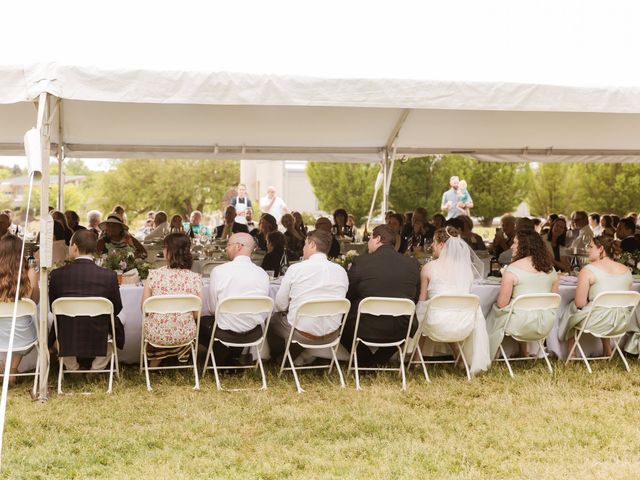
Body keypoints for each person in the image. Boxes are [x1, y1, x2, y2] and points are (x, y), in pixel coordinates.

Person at [340, 225, 421, 367]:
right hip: (401, 327)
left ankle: (366, 360)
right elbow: (415, 297)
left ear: (377, 239)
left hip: (363, 326)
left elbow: (348, 296)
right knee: (411, 324)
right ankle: (377, 361)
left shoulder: (361, 262)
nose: (368, 241)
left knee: (340, 319)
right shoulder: (412, 264)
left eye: (370, 237)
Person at [416, 226, 490, 376]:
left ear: (442, 244)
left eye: (434, 242)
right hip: (462, 324)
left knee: (422, 313)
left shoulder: (428, 268)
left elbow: (422, 300)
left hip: (437, 323)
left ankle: (416, 360)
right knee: (447, 311)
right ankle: (459, 355)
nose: (431, 246)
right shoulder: (466, 270)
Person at [49, 230, 125, 371]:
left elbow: (52, 308)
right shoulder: (108, 276)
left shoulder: (57, 275)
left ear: (75, 247)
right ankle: (97, 368)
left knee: (57, 321)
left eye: (70, 245)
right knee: (119, 320)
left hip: (68, 332)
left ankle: (72, 368)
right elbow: (117, 308)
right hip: (99, 333)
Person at [269, 229, 348, 362]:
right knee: (298, 321)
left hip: (301, 334)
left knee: (273, 320)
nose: (304, 248)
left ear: (312, 244)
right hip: (332, 333)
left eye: (305, 244)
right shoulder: (341, 271)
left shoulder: (296, 269)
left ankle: (280, 358)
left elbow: (280, 305)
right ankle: (291, 357)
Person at [486, 230, 559, 359]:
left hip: (519, 325)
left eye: (515, 243)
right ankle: (523, 352)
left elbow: (502, 304)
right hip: (545, 324)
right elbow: (553, 301)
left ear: (524, 247)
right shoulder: (551, 269)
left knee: (492, 311)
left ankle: (489, 354)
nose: (511, 246)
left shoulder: (513, 269)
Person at [559, 236, 633, 357]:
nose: (588, 250)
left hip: (598, 321)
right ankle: (607, 350)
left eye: (591, 247)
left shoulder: (588, 270)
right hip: (622, 321)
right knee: (604, 307)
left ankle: (571, 354)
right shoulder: (626, 270)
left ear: (601, 249)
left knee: (571, 306)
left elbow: (580, 304)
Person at [208, 233, 269, 365]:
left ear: (238, 246)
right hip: (253, 332)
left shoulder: (219, 271)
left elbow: (213, 309)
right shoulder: (262, 274)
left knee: (202, 322)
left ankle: (222, 357)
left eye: (228, 245)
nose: (226, 248)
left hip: (225, 332)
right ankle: (234, 357)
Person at [141, 233, 203, 366]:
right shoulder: (195, 278)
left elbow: (144, 309)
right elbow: (197, 314)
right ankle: (181, 355)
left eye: (164, 247)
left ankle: (154, 362)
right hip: (186, 334)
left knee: (152, 320)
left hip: (156, 334)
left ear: (169, 251)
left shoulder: (154, 275)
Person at [0, 235, 39, 385]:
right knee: (22, 322)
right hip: (23, 336)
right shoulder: (30, 273)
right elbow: (34, 302)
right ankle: (12, 370)